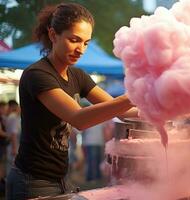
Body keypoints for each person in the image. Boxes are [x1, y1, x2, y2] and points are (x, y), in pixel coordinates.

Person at [6, 3, 137, 200]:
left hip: (60, 178)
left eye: (86, 43)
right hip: (32, 181)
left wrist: (162, 105)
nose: (81, 49)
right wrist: (133, 95)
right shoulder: (37, 75)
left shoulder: (77, 75)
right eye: (74, 40)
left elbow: (123, 112)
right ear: (53, 35)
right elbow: (79, 118)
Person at [5, 100, 21, 175]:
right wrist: (15, 149)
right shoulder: (13, 117)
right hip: (13, 147)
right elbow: (13, 133)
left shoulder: (14, 117)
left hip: (12, 145)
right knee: (12, 169)